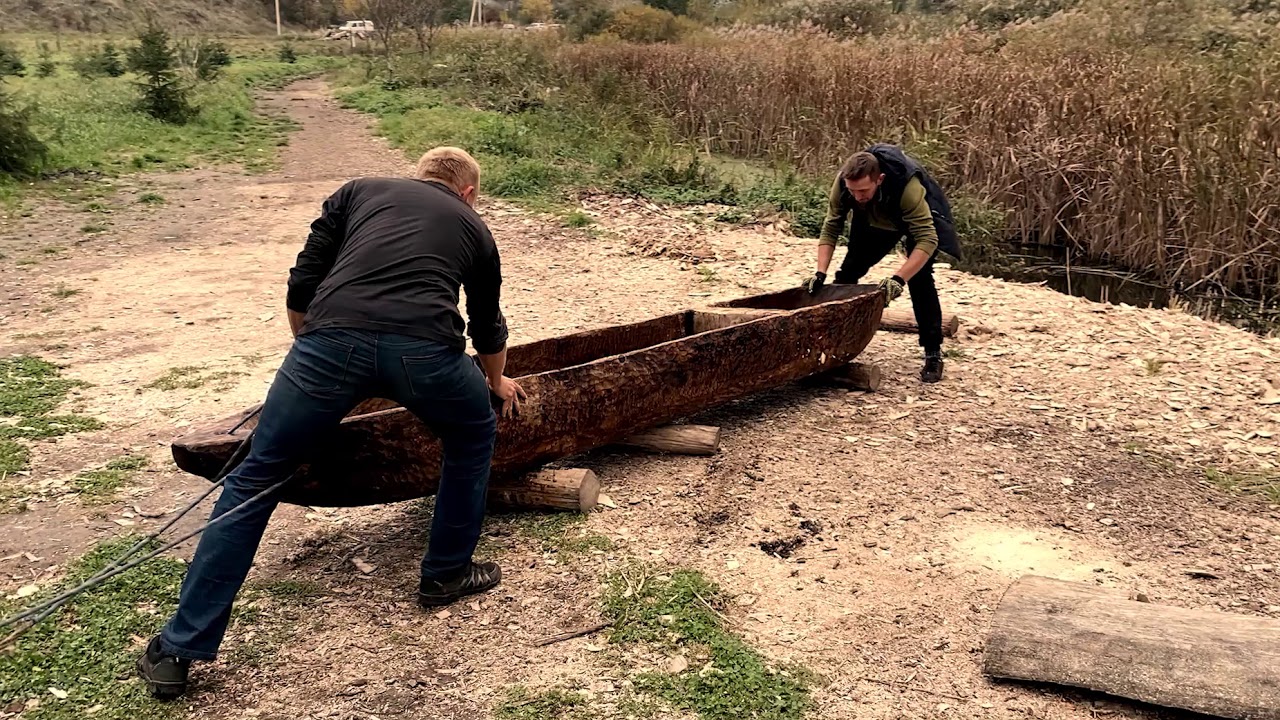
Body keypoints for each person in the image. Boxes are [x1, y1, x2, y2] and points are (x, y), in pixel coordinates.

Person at [137, 146, 525, 699]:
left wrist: (317, 354)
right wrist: (496, 384)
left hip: (328, 344)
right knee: (471, 434)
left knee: (254, 477)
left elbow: (303, 284)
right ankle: (446, 573)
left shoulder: (358, 191)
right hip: (427, 356)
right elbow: (488, 325)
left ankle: (180, 648)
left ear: (419, 177)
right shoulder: (475, 226)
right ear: (468, 192)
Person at [802, 143, 962, 383]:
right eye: (853, 191)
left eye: (863, 191)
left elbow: (928, 239)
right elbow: (832, 225)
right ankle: (832, 344)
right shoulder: (846, 183)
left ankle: (933, 353)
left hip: (916, 223)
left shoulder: (907, 187)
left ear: (880, 179)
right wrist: (819, 272)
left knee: (920, 280)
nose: (857, 196)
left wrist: (898, 279)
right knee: (847, 275)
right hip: (874, 222)